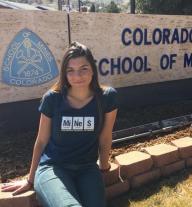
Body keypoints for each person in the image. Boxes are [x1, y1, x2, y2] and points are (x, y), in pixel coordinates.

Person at [1, 42, 118, 207]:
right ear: (64, 73)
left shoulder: (107, 98)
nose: (77, 76)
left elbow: (105, 137)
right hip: (53, 168)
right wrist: (30, 179)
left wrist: (104, 168)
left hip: (87, 168)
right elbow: (41, 140)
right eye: (70, 70)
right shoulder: (52, 99)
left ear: (93, 69)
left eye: (83, 68)